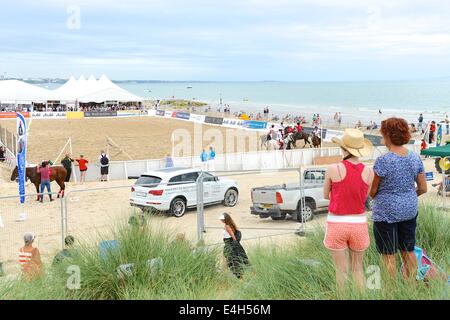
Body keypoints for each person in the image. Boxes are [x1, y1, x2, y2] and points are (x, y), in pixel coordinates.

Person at [370, 118, 427, 281]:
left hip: (386, 213)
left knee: (388, 255)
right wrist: (406, 196)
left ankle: (391, 292)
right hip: (409, 210)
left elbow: (373, 192)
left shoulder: (383, 160)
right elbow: (423, 188)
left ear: (388, 135)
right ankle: (411, 288)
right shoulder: (415, 158)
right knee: (408, 250)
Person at [323, 128, 374, 292]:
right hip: (358, 224)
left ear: (343, 148)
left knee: (341, 271)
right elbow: (364, 197)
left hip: (337, 223)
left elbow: (326, 195)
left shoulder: (332, 168)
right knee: (358, 269)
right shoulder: (369, 171)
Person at [219, 213, 249, 279]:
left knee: (231, 259)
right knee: (238, 258)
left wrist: (234, 243)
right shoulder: (230, 225)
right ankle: (242, 274)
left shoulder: (227, 226)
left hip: (229, 243)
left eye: (222, 219)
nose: (221, 220)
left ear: (225, 219)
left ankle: (239, 276)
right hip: (230, 243)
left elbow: (233, 236)